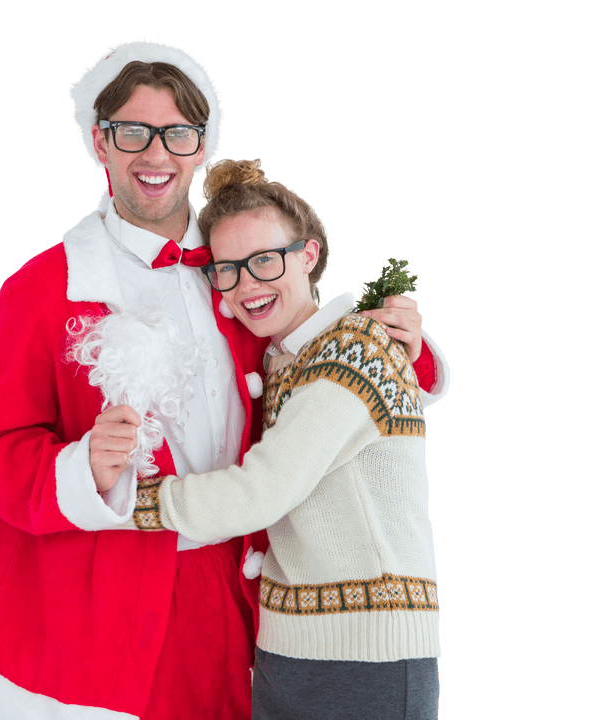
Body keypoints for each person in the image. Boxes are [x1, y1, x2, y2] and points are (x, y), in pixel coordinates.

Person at [0, 39, 449, 720]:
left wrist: (406, 348)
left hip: (253, 607)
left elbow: (312, 349)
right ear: (100, 144)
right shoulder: (40, 292)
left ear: (202, 147)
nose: (155, 155)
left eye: (177, 134)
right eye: (133, 132)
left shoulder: (239, 272)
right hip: (106, 603)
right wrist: (81, 469)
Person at [111, 158, 445, 720]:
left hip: (369, 655)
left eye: (265, 260)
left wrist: (130, 499)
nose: (248, 285)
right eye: (228, 269)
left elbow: (262, 490)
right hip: (288, 648)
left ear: (308, 255)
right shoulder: (281, 361)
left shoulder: (355, 349)